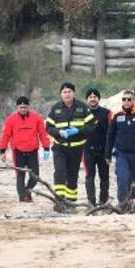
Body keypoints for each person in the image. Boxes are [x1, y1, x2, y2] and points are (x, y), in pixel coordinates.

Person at [45, 81, 91, 210]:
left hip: (76, 148)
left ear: (73, 93)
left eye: (69, 91)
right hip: (60, 147)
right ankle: (59, 201)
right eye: (64, 92)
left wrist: (79, 130)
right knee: (60, 172)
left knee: (72, 174)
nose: (67, 94)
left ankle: (70, 202)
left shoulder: (83, 108)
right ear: (61, 94)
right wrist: (58, 132)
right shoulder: (56, 108)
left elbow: (91, 126)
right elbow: (48, 127)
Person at [0, 96, 50, 203]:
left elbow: (43, 133)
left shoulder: (36, 118)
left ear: (28, 107)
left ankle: (27, 191)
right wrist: (2, 151)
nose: (23, 109)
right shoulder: (10, 119)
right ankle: (22, 197)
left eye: (25, 107)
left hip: (32, 151)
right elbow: (5, 135)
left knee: (35, 176)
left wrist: (46, 147)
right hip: (18, 151)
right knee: (20, 175)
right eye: (21, 107)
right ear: (17, 107)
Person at [106, 89, 135, 207]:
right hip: (122, 154)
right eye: (124, 99)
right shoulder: (116, 115)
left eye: (129, 99)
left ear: (133, 101)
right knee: (123, 178)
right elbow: (110, 136)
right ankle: (122, 203)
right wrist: (107, 154)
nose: (126, 102)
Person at [83, 88, 111, 206]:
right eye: (90, 97)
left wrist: (111, 149)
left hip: (104, 150)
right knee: (89, 176)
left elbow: (111, 131)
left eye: (95, 96)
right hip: (87, 150)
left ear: (98, 98)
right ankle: (91, 201)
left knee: (104, 176)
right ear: (87, 99)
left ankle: (103, 200)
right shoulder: (82, 113)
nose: (93, 99)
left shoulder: (106, 113)